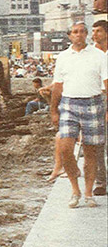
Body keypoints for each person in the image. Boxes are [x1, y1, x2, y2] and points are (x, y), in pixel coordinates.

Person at [48, 21, 107, 208]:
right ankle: (75, 190)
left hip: (93, 103)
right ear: (69, 36)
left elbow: (106, 82)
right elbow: (58, 85)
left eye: (82, 31)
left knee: (91, 151)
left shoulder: (99, 56)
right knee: (66, 148)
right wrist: (53, 110)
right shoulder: (63, 57)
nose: (79, 35)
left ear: (86, 34)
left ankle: (88, 192)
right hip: (69, 104)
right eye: (75, 32)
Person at [89, 19, 107, 197]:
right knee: (97, 143)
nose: (94, 35)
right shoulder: (91, 55)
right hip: (95, 98)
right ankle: (100, 182)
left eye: (98, 31)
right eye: (93, 31)